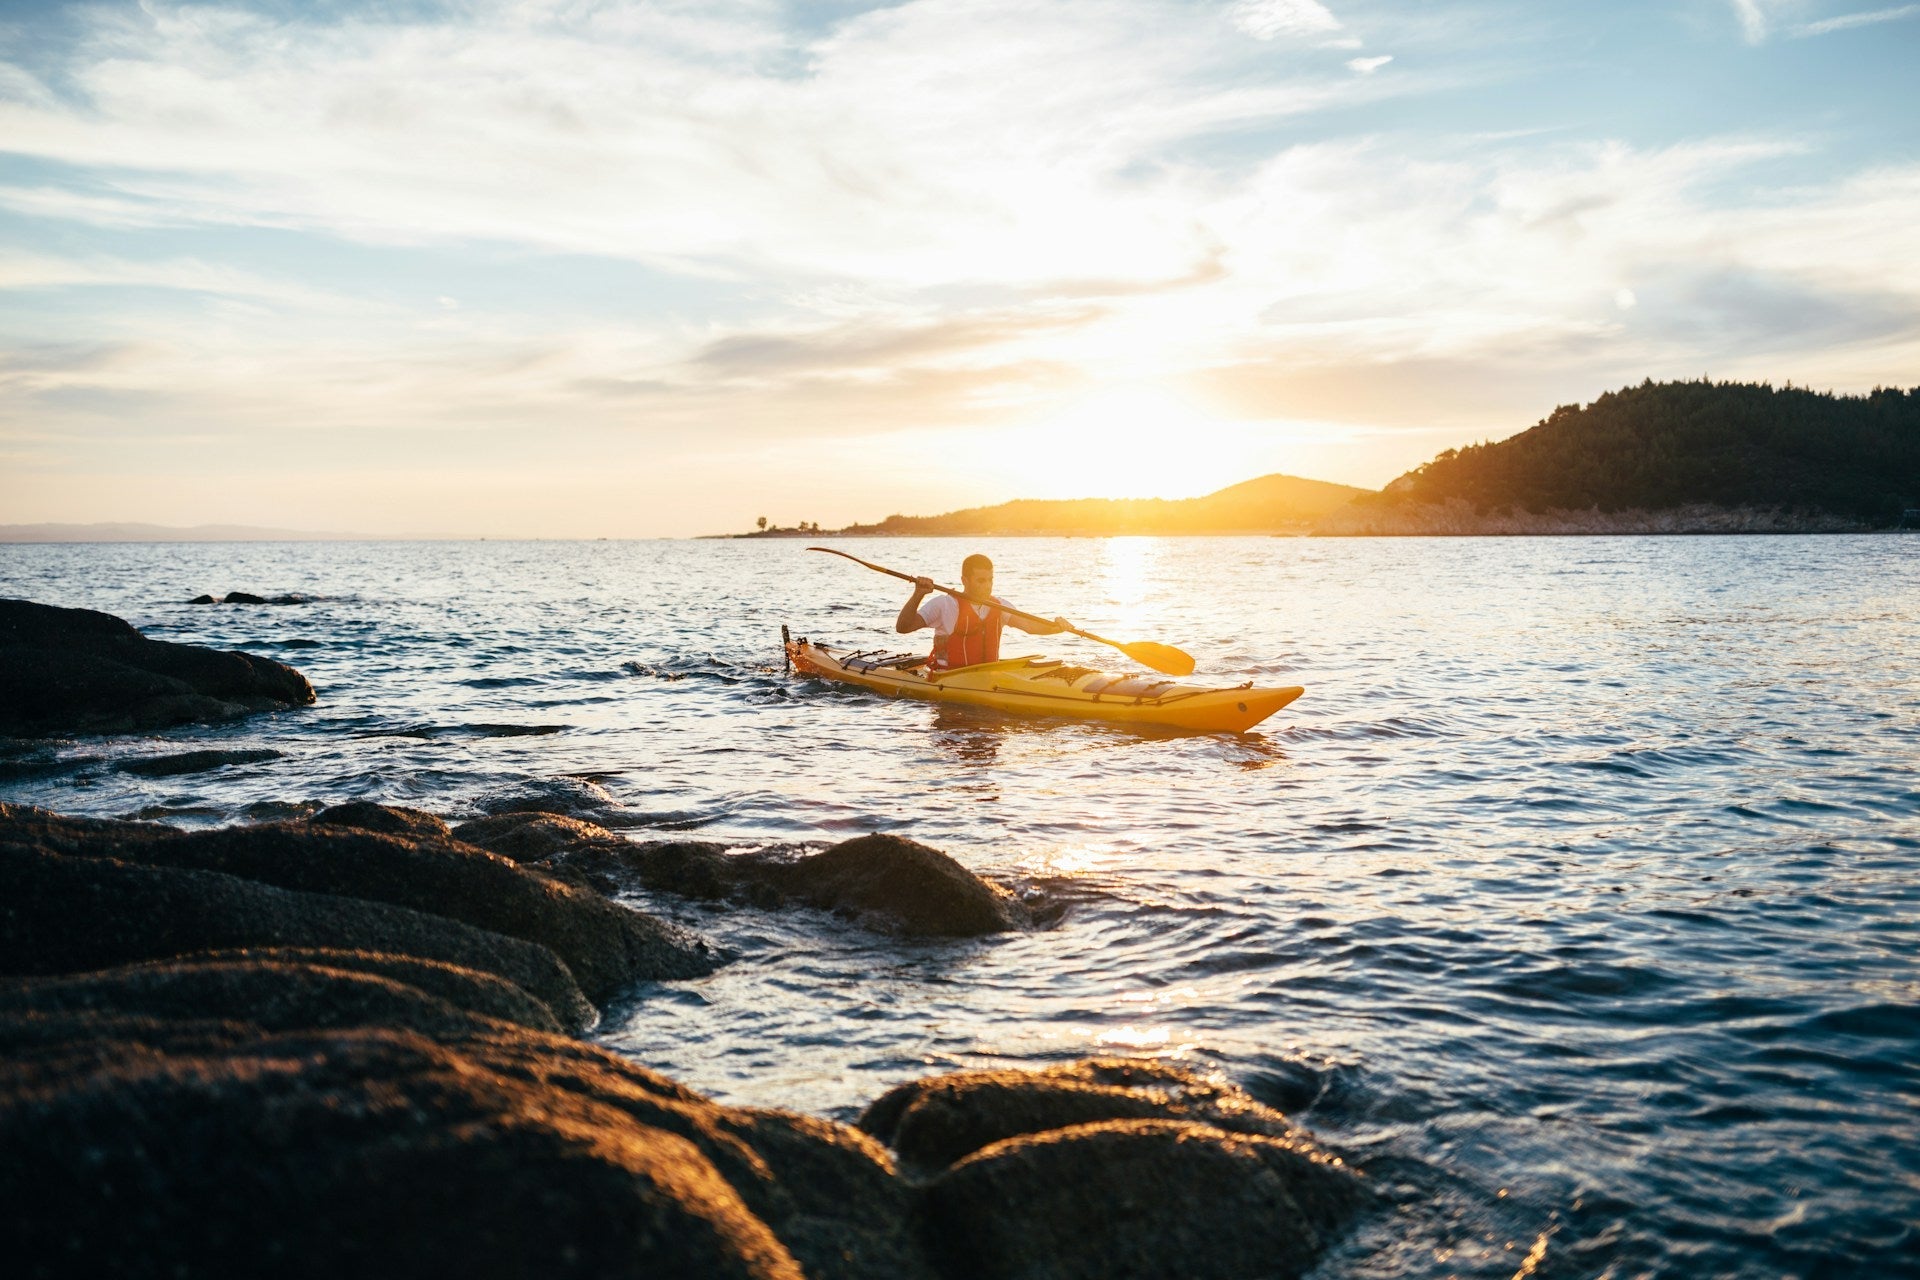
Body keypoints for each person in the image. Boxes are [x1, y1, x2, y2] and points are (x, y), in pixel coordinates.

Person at [895, 553, 1072, 670]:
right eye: (981, 581)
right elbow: (903, 627)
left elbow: (1030, 626)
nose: (987, 586)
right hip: (948, 679)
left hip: (987, 680)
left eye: (990, 580)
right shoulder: (945, 605)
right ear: (965, 580)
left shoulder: (1000, 606)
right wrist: (918, 594)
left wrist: (1056, 627)